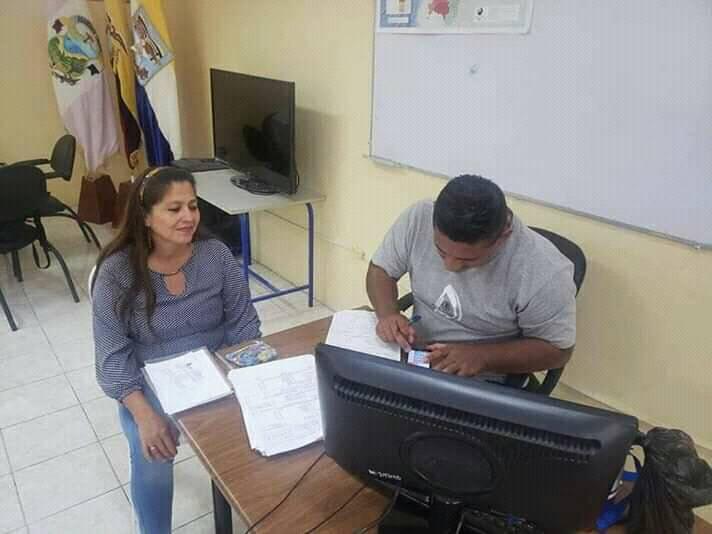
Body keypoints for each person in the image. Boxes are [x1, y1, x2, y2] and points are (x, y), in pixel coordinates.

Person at [91, 166, 261, 534]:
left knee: (261, 428)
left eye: (193, 206)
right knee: (153, 452)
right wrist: (144, 415)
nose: (188, 217)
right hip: (149, 381)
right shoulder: (116, 273)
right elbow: (111, 357)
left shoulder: (215, 255)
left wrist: (246, 375)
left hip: (216, 369)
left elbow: (244, 322)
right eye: (174, 209)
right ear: (146, 216)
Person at [367, 174, 576, 379]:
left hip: (478, 374)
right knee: (352, 370)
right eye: (441, 252)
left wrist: (483, 357)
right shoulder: (419, 218)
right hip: (413, 352)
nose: (450, 266)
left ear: (503, 235)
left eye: (468, 260)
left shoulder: (545, 271)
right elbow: (380, 270)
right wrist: (388, 314)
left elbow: (559, 351)